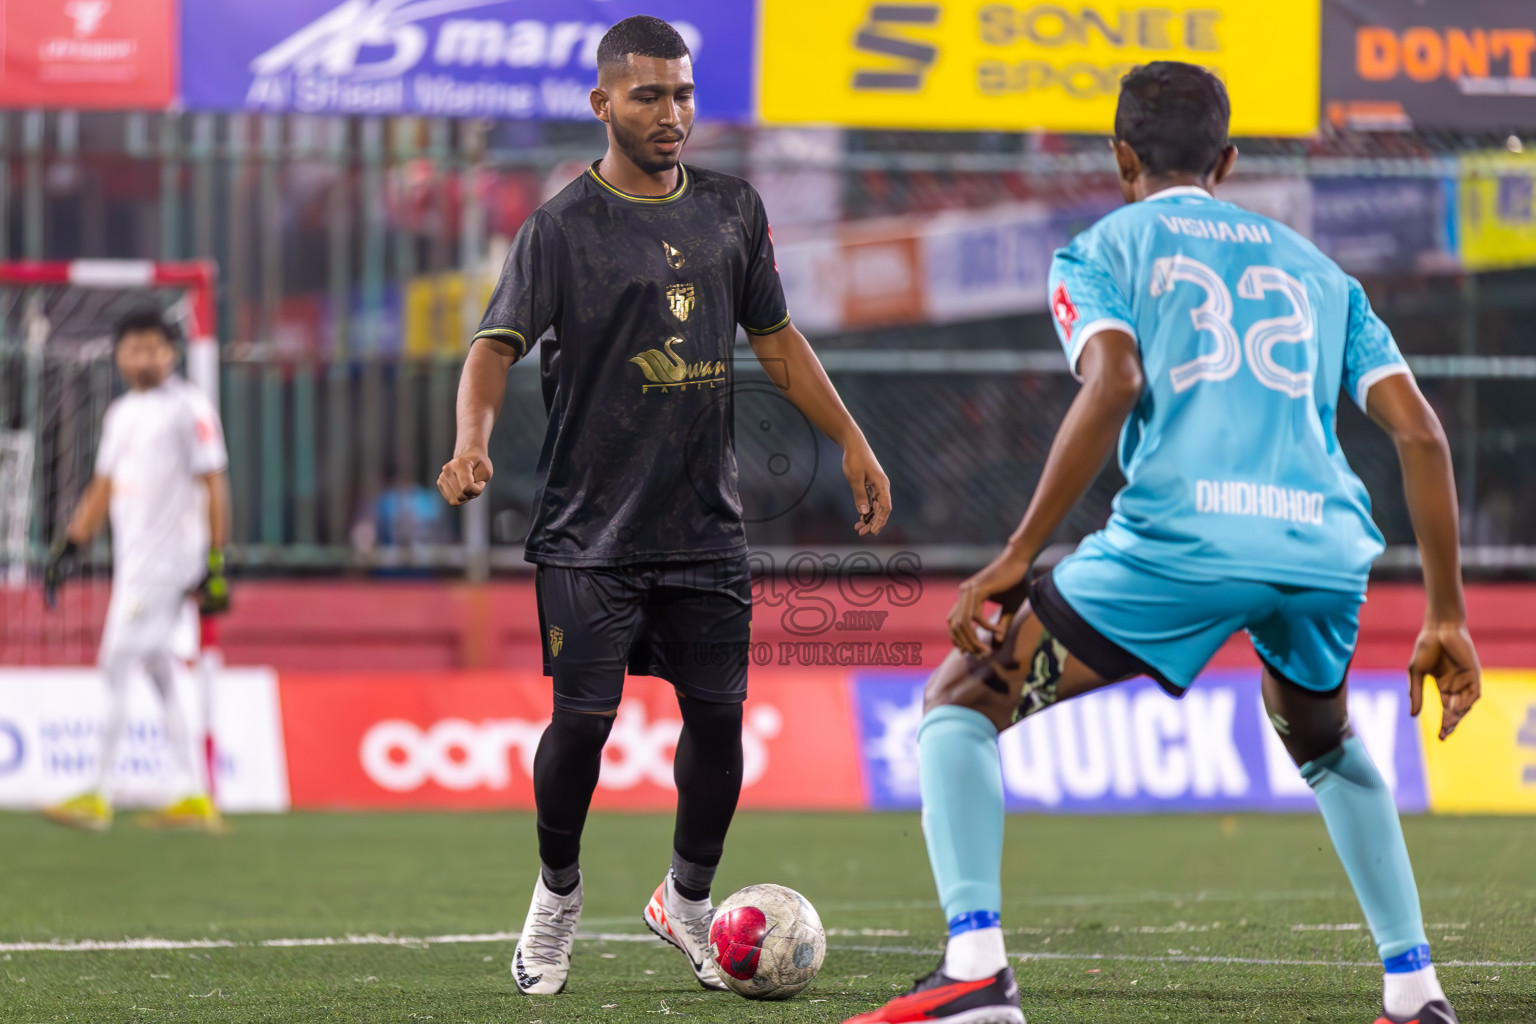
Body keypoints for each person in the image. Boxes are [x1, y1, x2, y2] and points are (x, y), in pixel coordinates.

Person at [849, 62, 1477, 1024]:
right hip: (1322, 551)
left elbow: (1113, 384)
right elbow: (1422, 435)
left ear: (1120, 156)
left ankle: (975, 972)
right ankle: (1416, 991)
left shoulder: (1100, 251)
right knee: (1324, 742)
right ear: (1228, 161)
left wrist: (1020, 551)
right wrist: (1446, 614)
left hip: (1178, 544)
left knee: (959, 704)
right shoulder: (1321, 274)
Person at [437, 15, 892, 996]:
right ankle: (557, 892)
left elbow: (776, 340)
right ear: (603, 104)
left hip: (703, 528)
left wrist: (851, 436)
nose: (672, 113)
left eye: (683, 94)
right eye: (648, 96)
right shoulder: (561, 229)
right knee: (583, 723)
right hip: (587, 533)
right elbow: (491, 348)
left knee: (721, 720)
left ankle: (686, 898)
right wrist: (472, 443)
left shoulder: (733, 209)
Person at [43, 307, 230, 833]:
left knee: (115, 662)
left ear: (171, 353)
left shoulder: (189, 407)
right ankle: (194, 793)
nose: (144, 356)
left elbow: (215, 482)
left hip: (167, 565)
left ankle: (97, 793)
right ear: (119, 355)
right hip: (134, 562)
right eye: (134, 347)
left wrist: (217, 560)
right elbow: (104, 485)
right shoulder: (122, 412)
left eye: (154, 347)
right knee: (162, 672)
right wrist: (71, 545)